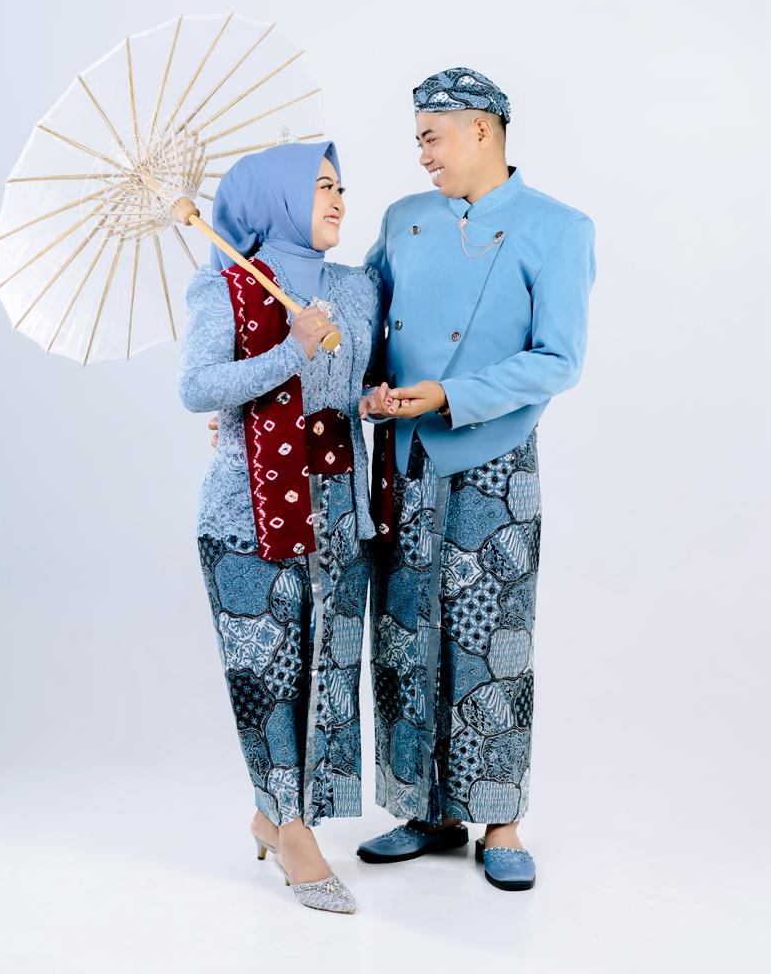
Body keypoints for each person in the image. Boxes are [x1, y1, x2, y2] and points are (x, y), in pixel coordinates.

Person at [355, 67, 596, 891]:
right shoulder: (404, 218)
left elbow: (558, 359)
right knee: (403, 629)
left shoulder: (558, 228)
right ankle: (423, 809)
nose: (421, 155)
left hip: (495, 459)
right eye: (418, 140)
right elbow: (367, 320)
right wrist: (359, 383)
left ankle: (500, 820)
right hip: (401, 454)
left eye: (431, 137)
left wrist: (453, 394)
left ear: (481, 130)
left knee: (493, 638)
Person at [178, 140, 383, 914]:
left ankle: (276, 814)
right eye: (322, 186)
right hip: (246, 512)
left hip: (340, 505)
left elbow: (359, 384)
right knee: (266, 676)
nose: (338, 200)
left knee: (324, 670)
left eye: (341, 187)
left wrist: (373, 400)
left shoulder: (357, 288)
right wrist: (286, 354)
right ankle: (292, 833)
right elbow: (199, 388)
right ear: (278, 199)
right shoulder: (225, 286)